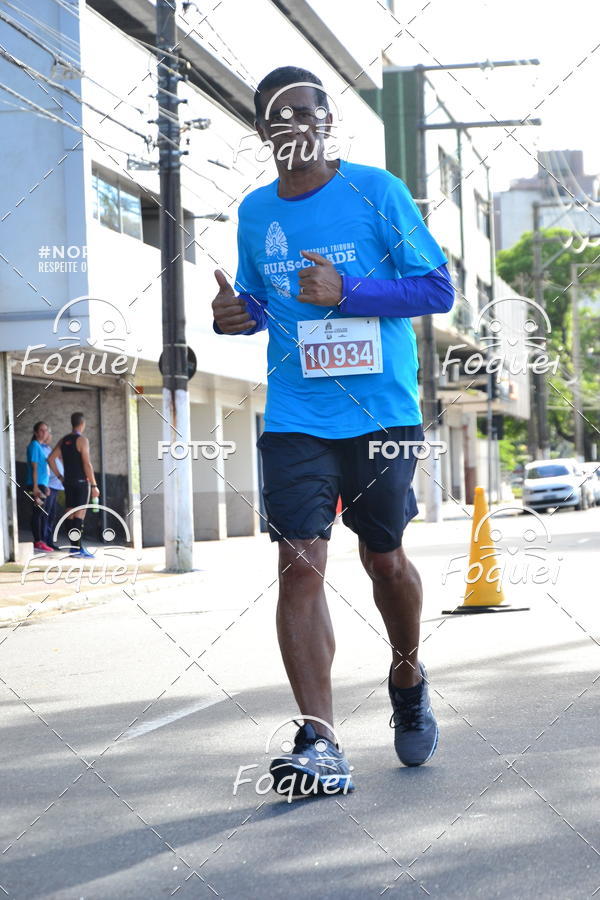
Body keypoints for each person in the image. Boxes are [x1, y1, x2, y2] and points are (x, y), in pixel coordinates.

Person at [212, 67, 455, 797]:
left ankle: (406, 675)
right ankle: (319, 740)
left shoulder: (377, 191)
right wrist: (238, 316)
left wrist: (348, 289)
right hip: (296, 412)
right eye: (278, 115)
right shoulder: (256, 212)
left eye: (306, 112)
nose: (293, 124)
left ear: (326, 122)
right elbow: (261, 299)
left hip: (381, 413)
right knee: (299, 562)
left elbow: (437, 286)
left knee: (385, 560)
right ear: (263, 131)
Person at [48, 412, 99, 559]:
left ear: (72, 423)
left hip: (68, 482)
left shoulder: (63, 440)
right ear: (82, 424)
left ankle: (73, 548)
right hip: (81, 482)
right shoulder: (82, 440)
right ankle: (78, 549)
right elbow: (87, 464)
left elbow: (50, 459)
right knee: (79, 515)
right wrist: (94, 485)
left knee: (70, 513)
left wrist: (60, 477)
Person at [25, 421, 53, 553]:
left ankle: (41, 541)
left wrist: (45, 486)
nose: (44, 432)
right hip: (35, 485)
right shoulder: (35, 445)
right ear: (36, 433)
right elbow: (35, 468)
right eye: (41, 430)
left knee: (41, 513)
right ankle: (38, 541)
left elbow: (43, 469)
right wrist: (36, 487)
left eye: (46, 430)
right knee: (38, 513)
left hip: (42, 484)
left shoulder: (40, 447)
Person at [41, 427, 63, 551]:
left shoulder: (49, 449)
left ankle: (49, 540)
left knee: (51, 515)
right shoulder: (40, 449)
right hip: (48, 486)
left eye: (49, 432)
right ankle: (43, 540)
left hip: (55, 486)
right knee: (46, 514)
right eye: (48, 433)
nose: (50, 435)